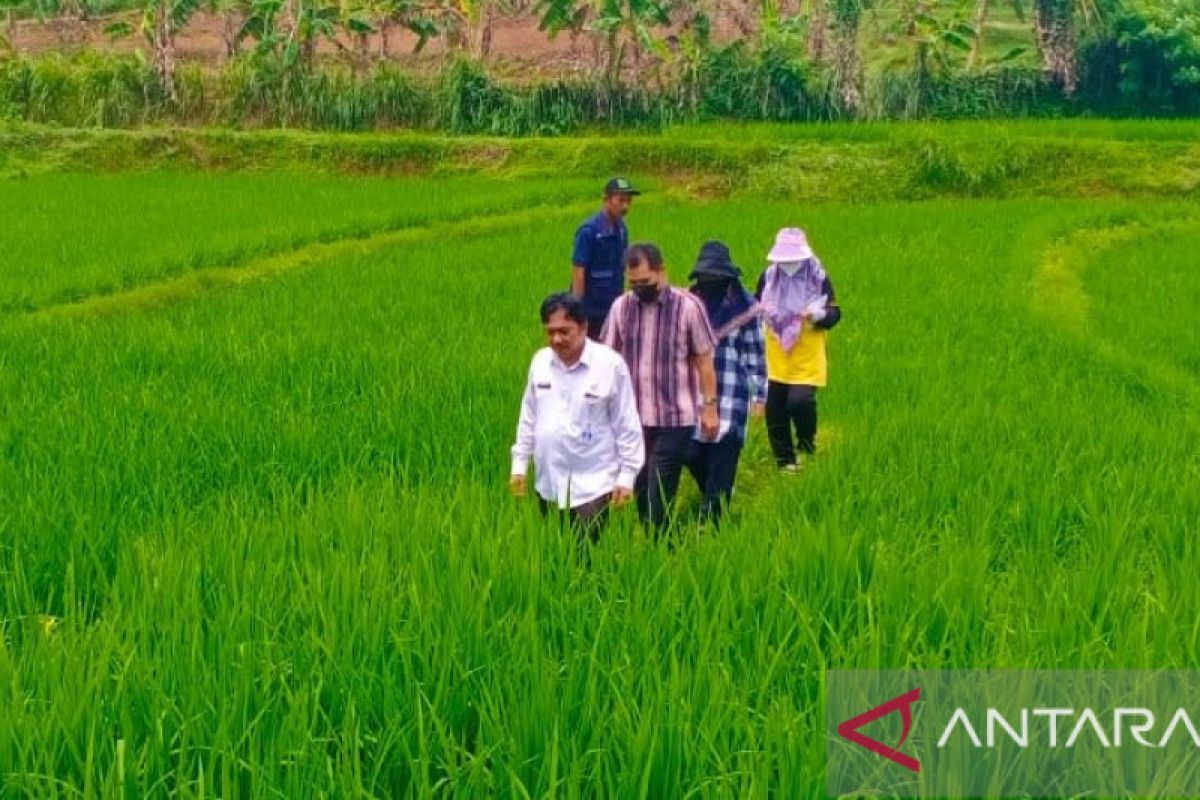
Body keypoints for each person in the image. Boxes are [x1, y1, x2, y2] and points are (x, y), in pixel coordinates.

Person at [600, 243, 719, 530]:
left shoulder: (688, 307)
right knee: (640, 489)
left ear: (661, 271)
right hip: (633, 419)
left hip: (675, 417)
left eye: (646, 282)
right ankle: (662, 544)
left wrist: (710, 408)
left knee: (659, 490)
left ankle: (660, 544)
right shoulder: (621, 308)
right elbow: (606, 358)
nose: (640, 288)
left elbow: (704, 359)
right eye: (634, 283)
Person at [510, 293, 644, 542]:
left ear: (583, 327)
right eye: (550, 332)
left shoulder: (609, 365)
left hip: (592, 484)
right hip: (548, 483)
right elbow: (529, 416)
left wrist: (627, 476)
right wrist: (519, 465)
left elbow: (627, 424)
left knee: (584, 556)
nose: (556, 339)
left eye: (564, 331)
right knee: (555, 553)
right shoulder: (540, 362)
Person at [685, 241, 766, 527]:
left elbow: (756, 352)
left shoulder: (745, 309)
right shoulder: (689, 304)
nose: (710, 283)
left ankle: (711, 526)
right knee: (693, 452)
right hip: (695, 391)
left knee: (723, 454)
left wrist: (760, 395)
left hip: (733, 391)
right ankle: (715, 491)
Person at [755, 228, 843, 473]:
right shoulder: (769, 277)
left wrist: (818, 315)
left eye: (793, 260)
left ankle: (807, 441)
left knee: (799, 401)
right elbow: (755, 305)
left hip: (807, 350)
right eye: (785, 260)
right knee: (775, 408)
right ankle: (785, 460)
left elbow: (836, 313)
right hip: (776, 351)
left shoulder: (818, 278)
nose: (789, 265)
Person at [571, 177, 639, 340]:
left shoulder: (622, 229)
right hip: (591, 308)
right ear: (606, 200)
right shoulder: (589, 231)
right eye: (621, 200)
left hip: (613, 305)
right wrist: (577, 308)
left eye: (629, 201)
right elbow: (579, 271)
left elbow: (624, 265)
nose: (625, 206)